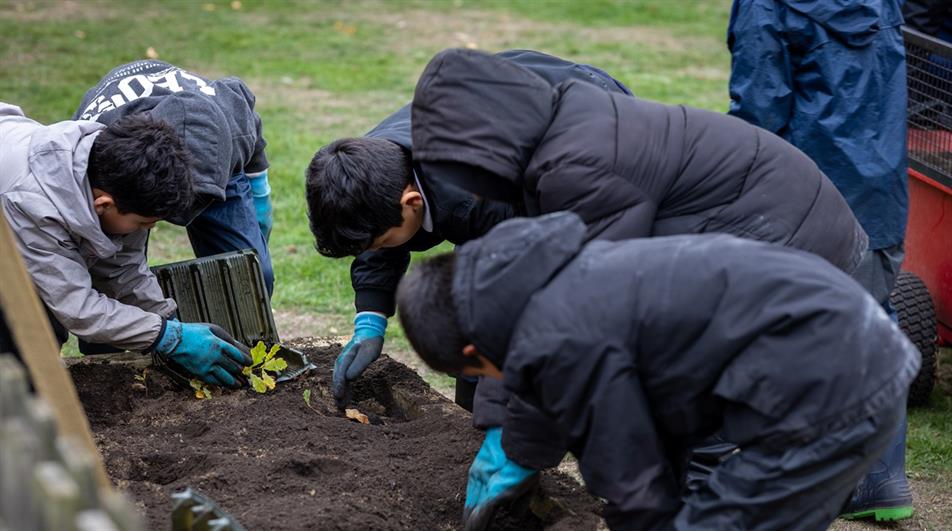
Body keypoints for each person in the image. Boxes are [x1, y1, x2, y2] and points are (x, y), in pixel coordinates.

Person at [401, 46, 870, 521]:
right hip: (776, 237)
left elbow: (573, 319)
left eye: (469, 171)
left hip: (796, 248)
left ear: (486, 138)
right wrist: (511, 427)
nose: (476, 192)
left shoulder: (579, 165)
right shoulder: (559, 135)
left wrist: (515, 443)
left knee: (694, 421)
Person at [396, 212, 920, 530]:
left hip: (838, 387)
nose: (500, 381)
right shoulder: (552, 286)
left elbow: (631, 478)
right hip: (839, 349)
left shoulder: (562, 339)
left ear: (473, 347)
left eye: (487, 372)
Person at [305, 49, 634, 410]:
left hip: (598, 125)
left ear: (412, 202)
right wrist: (371, 317)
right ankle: (474, 410)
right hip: (511, 107)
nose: (376, 249)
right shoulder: (370, 165)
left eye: (381, 242)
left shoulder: (478, 198)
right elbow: (376, 235)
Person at [726, 0, 913, 520]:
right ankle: (879, 476)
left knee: (792, 330)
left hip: (807, 192)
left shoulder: (767, 6)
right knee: (871, 325)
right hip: (881, 190)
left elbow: (758, 109)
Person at [0, 102, 252, 388]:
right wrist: (166, 337)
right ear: (103, 204)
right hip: (7, 198)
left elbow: (123, 270)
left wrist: (169, 320)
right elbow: (78, 309)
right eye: (144, 224)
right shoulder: (32, 204)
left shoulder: (114, 173)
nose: (149, 230)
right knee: (28, 334)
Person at [75, 60, 275, 295]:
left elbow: (249, 121)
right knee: (110, 281)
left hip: (214, 160)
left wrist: (258, 195)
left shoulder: (231, 120)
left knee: (251, 274)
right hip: (132, 167)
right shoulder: (97, 144)